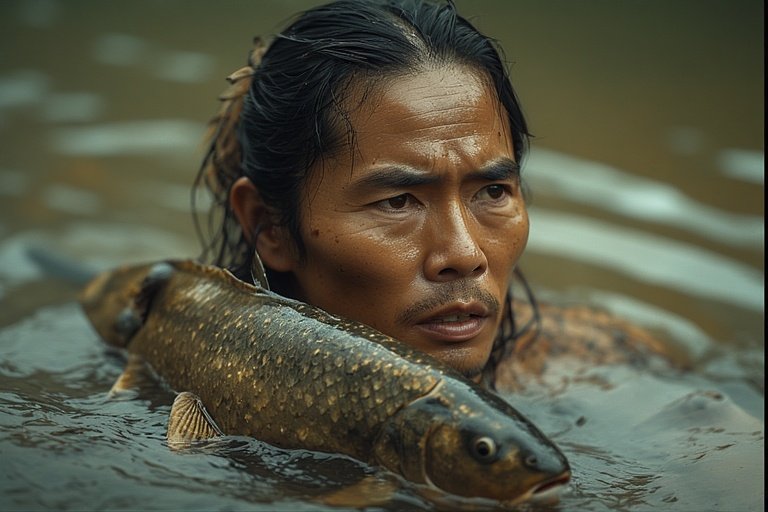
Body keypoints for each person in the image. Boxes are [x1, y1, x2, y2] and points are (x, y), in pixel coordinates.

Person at [194, 0, 672, 390]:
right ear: (270, 225)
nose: (465, 255)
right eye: (398, 201)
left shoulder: (607, 363)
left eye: (492, 191)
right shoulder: (181, 406)